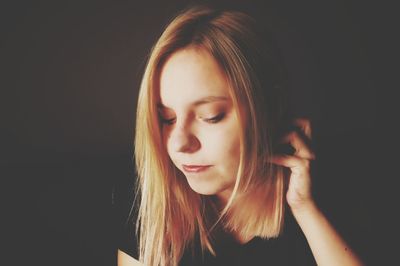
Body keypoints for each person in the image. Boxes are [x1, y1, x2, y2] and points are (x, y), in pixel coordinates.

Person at [117, 5, 364, 266]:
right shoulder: (147, 207)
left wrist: (306, 210)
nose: (179, 143)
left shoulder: (347, 186)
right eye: (167, 119)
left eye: (211, 116)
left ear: (269, 107)